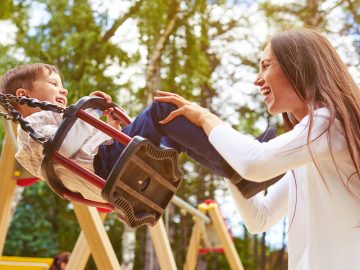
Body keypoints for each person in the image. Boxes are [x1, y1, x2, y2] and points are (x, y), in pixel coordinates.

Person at [154, 28, 360, 269]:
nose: (257, 78)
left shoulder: (329, 124)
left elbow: (255, 164)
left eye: (266, 65)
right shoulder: (310, 153)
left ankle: (106, 157)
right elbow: (259, 218)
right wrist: (225, 160)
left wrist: (206, 118)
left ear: (299, 68)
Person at [0, 63, 275, 202]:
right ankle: (239, 162)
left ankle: (237, 171)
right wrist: (90, 112)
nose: (63, 90)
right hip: (107, 166)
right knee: (162, 110)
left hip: (108, 163)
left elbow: (84, 146)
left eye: (62, 85)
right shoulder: (33, 127)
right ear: (24, 96)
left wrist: (111, 125)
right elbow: (65, 146)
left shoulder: (56, 120)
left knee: (173, 131)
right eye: (53, 83)